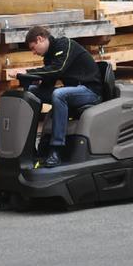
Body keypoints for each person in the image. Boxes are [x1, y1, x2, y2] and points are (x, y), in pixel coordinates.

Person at [23, 25, 102, 168]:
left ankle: (56, 150)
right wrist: (34, 81)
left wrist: (28, 71)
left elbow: (58, 69)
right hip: (73, 91)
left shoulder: (64, 44)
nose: (34, 53)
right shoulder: (49, 55)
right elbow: (49, 80)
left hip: (89, 91)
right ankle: (30, 147)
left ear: (40, 39)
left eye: (33, 48)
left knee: (59, 94)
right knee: (33, 91)